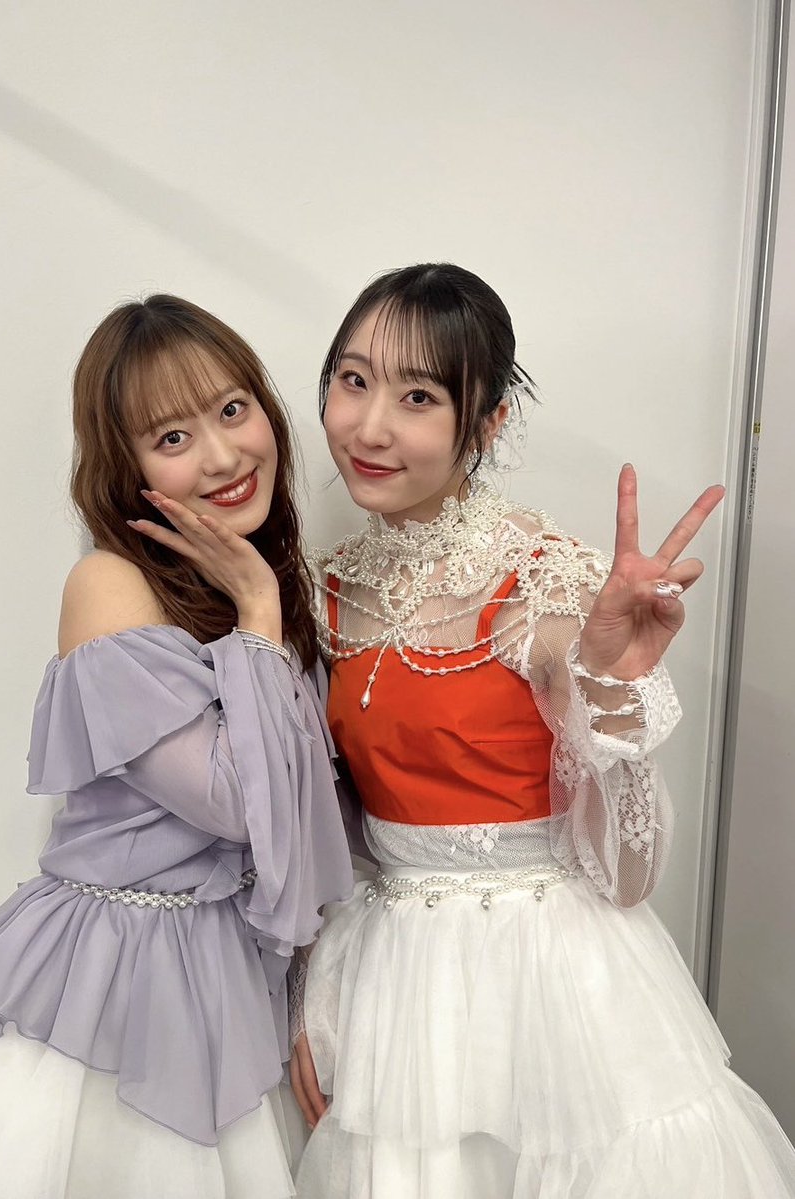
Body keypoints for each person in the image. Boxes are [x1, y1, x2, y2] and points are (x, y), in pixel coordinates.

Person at [290, 263, 795, 1197]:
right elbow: (334, 834)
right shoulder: (324, 587)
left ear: (487, 422)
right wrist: (310, 990)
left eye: (418, 396)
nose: (369, 426)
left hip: (552, 987)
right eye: (353, 381)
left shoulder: (552, 582)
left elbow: (627, 877)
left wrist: (610, 684)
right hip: (395, 990)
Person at [0, 294, 352, 1199]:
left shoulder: (274, 595)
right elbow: (237, 804)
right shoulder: (110, 584)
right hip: (112, 980)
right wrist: (260, 611)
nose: (222, 455)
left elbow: (311, 830)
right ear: (127, 464)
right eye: (172, 436)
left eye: (232, 409)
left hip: (227, 987)